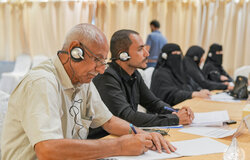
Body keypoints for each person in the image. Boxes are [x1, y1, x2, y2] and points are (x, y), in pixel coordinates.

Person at [1, 24, 176, 160]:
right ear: (75, 51)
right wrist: (119, 146)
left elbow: (109, 121)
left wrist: (142, 135)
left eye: (104, 61)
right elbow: (47, 150)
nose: (101, 70)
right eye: (97, 60)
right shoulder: (42, 82)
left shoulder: (81, 80)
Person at [89, 29, 194, 139]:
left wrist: (177, 112)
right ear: (123, 55)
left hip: (126, 136)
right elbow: (127, 117)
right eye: (140, 49)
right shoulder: (106, 77)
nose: (147, 53)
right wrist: (174, 119)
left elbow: (153, 103)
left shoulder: (134, 74)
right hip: (104, 140)